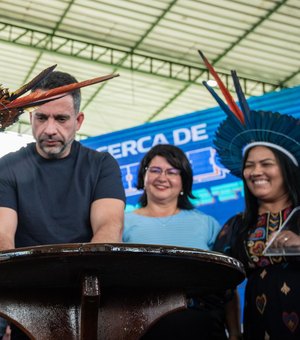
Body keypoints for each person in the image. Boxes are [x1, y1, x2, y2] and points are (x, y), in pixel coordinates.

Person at [0, 71, 126, 338]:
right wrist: (13, 299)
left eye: (61, 118)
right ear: (31, 117)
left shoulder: (102, 165)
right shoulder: (7, 167)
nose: (50, 129)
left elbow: (108, 229)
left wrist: (82, 285)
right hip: (28, 301)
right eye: (42, 117)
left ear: (78, 121)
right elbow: (2, 237)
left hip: (89, 297)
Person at [199, 51, 300, 339]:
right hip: (258, 329)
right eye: (249, 165)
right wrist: (233, 333)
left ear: (287, 170)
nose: (257, 171)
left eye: (266, 164)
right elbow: (220, 286)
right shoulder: (237, 225)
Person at [123, 144, 241, 340]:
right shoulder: (122, 223)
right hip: (144, 328)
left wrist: (236, 333)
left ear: (184, 181)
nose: (162, 178)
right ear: (143, 177)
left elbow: (227, 285)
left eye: (172, 172)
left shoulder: (207, 224)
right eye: (155, 170)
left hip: (204, 327)